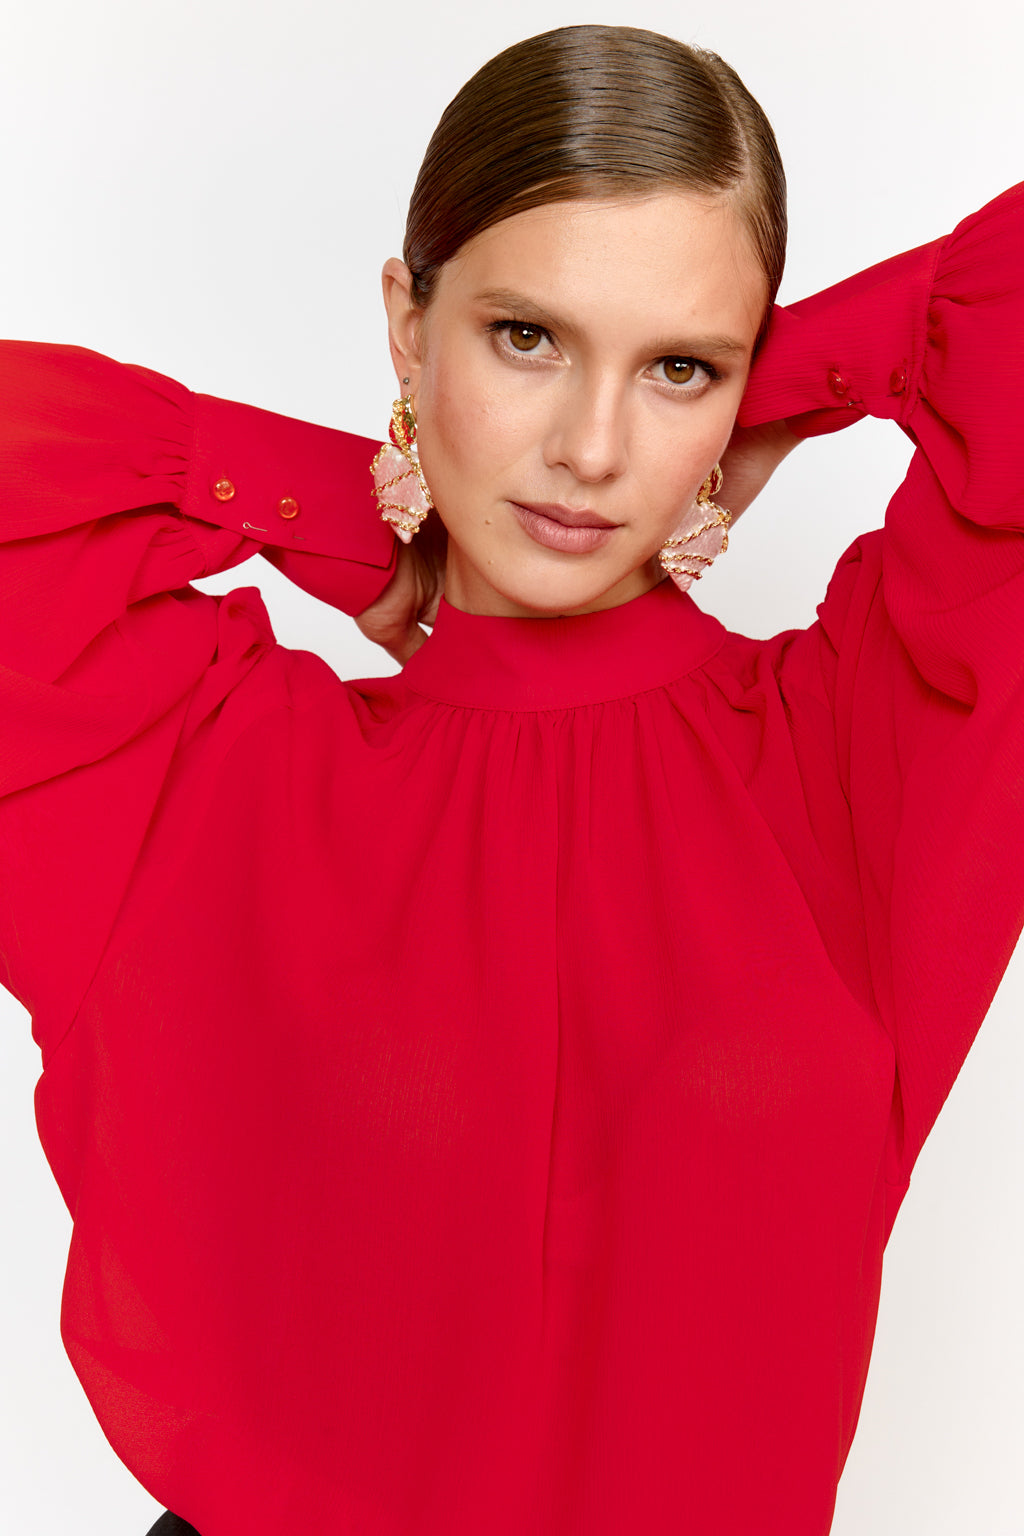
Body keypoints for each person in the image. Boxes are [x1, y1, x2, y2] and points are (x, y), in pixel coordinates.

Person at [0, 21, 1021, 1536]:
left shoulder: (854, 759)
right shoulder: (218, 772)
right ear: (408, 325)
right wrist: (335, 510)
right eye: (526, 337)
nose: (593, 447)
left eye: (678, 365)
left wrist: (800, 377)